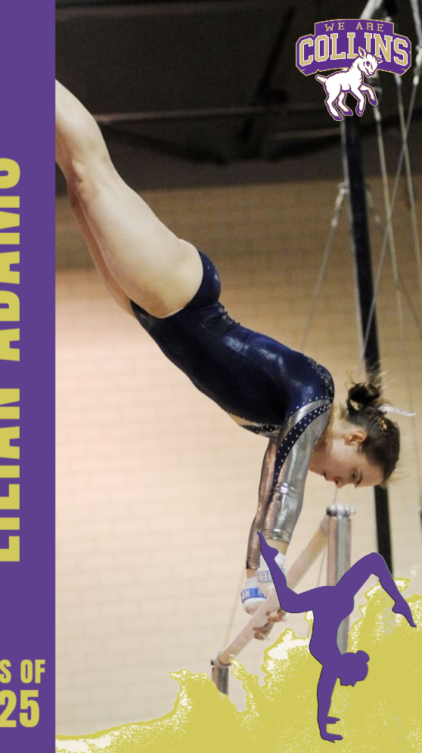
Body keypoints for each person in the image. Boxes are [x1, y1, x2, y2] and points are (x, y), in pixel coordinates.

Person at [55, 81, 401, 618]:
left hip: (156, 312)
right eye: (355, 473)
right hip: (180, 297)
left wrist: (255, 585)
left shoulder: (291, 425)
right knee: (89, 171)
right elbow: (285, 488)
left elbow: (270, 482)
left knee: (78, 186)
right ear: (355, 436)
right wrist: (272, 570)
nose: (340, 483)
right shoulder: (314, 396)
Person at [258, 532, 416, 742]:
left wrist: (323, 720)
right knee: (289, 602)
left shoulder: (333, 662)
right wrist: (322, 726)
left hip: (336, 600)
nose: (349, 685)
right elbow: (323, 692)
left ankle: (399, 601)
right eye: (353, 680)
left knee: (373, 562)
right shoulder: (332, 663)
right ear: (348, 668)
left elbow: (325, 692)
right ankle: (269, 558)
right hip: (333, 602)